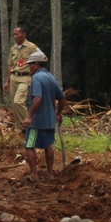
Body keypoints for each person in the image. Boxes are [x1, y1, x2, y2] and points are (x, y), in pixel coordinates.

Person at [21, 49, 66, 181]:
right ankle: (50, 173)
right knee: (48, 145)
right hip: (50, 120)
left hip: (38, 121)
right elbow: (62, 98)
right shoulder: (50, 77)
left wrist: (29, 116)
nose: (29, 67)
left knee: (29, 145)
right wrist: (58, 114)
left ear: (36, 64)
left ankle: (34, 174)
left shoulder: (36, 78)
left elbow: (37, 99)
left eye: (30, 65)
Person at [3, 25, 40, 137]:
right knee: (13, 104)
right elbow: (10, 65)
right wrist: (7, 81)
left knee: (18, 101)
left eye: (17, 34)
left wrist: (34, 72)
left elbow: (42, 58)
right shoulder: (13, 48)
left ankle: (30, 123)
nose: (15, 36)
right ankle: (21, 129)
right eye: (14, 34)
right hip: (14, 76)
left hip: (25, 77)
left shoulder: (31, 47)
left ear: (24, 34)